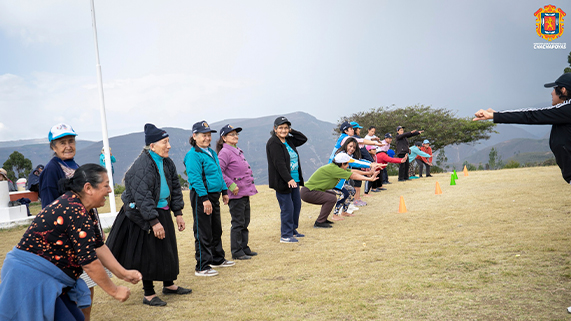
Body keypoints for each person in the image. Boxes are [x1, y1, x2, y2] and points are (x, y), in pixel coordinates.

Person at [472, 73, 571, 314]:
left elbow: (531, 115)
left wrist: (494, 116)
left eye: (554, 89)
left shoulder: (568, 109)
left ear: (564, 92)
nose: (551, 93)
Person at [0, 164, 142, 320]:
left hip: (48, 277)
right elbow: (89, 262)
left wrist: (123, 273)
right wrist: (114, 291)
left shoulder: (84, 208)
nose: (109, 190)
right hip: (30, 278)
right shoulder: (76, 212)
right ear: (88, 188)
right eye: (106, 185)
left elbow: (98, 246)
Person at [107, 124, 191, 307]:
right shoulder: (142, 165)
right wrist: (153, 222)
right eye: (164, 142)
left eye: (168, 142)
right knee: (148, 252)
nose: (168, 146)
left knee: (167, 249)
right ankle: (149, 293)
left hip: (161, 210)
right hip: (141, 215)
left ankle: (168, 285)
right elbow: (142, 197)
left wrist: (178, 213)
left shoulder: (166, 162)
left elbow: (175, 188)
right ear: (151, 146)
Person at [185, 121, 235, 276]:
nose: (207, 138)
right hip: (202, 196)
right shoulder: (193, 155)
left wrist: (224, 191)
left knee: (215, 228)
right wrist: (204, 199)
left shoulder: (211, 152)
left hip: (214, 195)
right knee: (203, 231)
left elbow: (219, 173)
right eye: (203, 135)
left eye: (209, 135)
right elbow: (195, 179)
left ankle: (217, 258)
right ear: (194, 136)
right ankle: (202, 265)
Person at [301, 152, 379, 228]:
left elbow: (352, 171)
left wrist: (368, 172)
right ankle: (319, 222)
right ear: (342, 164)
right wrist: (369, 179)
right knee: (331, 198)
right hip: (308, 192)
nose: (348, 165)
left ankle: (323, 219)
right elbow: (352, 175)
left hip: (310, 190)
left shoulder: (334, 167)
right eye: (347, 163)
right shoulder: (335, 170)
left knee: (332, 195)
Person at [216, 124, 258, 260]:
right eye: (231, 134)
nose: (235, 136)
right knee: (238, 222)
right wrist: (231, 184)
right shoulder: (225, 152)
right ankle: (237, 251)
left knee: (245, 221)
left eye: (236, 134)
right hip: (235, 194)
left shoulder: (237, 150)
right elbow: (219, 171)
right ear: (224, 138)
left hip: (244, 192)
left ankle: (244, 248)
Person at [266, 116, 307, 243]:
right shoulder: (274, 142)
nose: (283, 130)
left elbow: (303, 139)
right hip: (283, 181)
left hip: (295, 179)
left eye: (286, 128)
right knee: (287, 208)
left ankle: (293, 229)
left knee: (296, 206)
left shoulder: (289, 140)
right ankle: (285, 235)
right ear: (275, 129)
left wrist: (291, 131)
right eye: (281, 128)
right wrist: (288, 179)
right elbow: (279, 164)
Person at [39, 123, 80, 208]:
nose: (68, 147)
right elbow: (49, 207)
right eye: (62, 143)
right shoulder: (51, 170)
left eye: (71, 141)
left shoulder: (76, 166)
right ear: (53, 147)